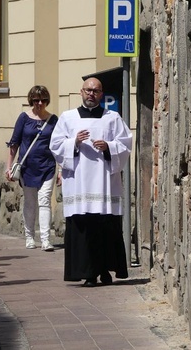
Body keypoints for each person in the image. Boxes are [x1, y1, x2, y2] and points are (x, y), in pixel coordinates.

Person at [49, 77, 132, 287]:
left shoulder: (112, 118)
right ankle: (88, 273)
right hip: (79, 183)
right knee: (83, 228)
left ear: (102, 94)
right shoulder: (67, 118)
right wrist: (74, 142)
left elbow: (125, 145)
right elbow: (55, 145)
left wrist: (109, 147)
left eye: (96, 91)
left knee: (105, 229)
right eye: (88, 90)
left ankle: (105, 271)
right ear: (81, 92)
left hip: (104, 183)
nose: (91, 94)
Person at [5, 85, 59, 251]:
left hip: (47, 166)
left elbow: (59, 145)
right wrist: (9, 166)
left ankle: (45, 240)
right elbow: (14, 143)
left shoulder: (53, 120)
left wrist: (62, 169)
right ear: (31, 101)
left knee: (44, 201)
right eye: (36, 100)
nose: (39, 103)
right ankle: (29, 237)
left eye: (43, 100)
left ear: (47, 101)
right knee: (30, 202)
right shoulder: (24, 118)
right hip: (28, 167)